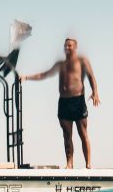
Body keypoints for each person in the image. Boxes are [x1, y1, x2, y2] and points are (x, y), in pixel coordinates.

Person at [20, 38, 101, 169]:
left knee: (83, 133)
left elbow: (91, 76)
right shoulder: (60, 64)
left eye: (69, 46)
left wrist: (95, 92)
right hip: (64, 102)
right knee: (67, 135)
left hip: (78, 101)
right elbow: (44, 75)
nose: (67, 48)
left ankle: (88, 164)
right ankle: (69, 164)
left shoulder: (82, 61)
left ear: (75, 47)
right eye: (65, 46)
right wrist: (26, 77)